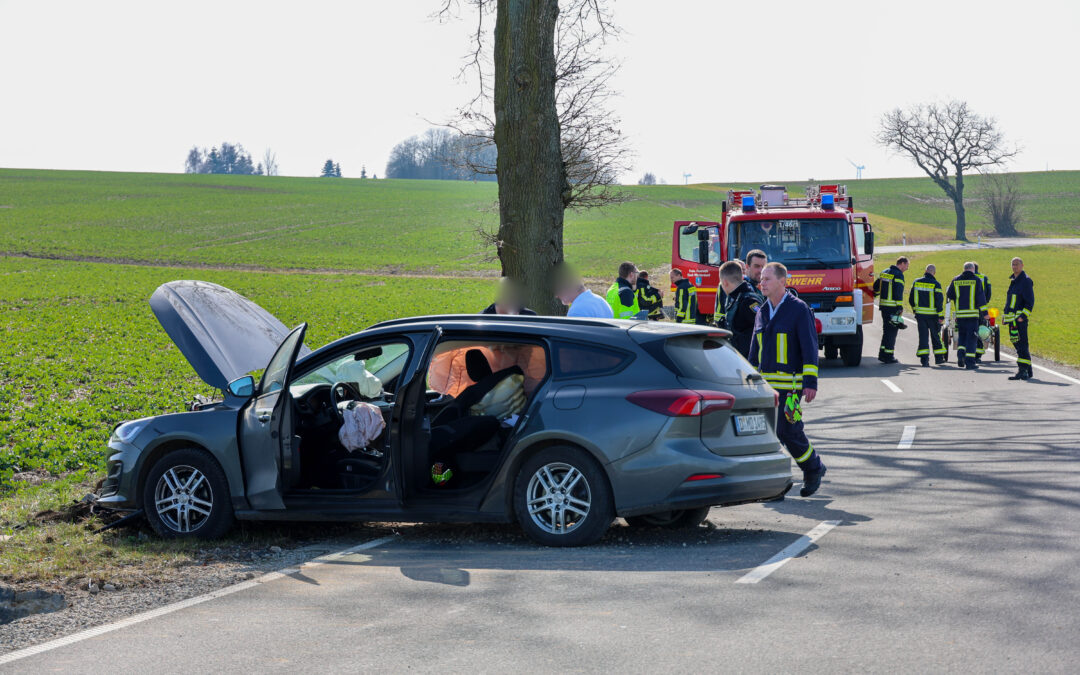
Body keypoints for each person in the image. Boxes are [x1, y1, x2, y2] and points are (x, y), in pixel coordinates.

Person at [750, 262, 827, 497]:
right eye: (761, 279)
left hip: (791, 388)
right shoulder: (762, 311)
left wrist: (810, 383)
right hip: (766, 389)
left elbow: (809, 347)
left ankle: (813, 468)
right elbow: (755, 349)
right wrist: (750, 379)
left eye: (767, 279)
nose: (761, 283)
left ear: (782, 282)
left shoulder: (798, 309)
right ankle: (775, 485)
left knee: (788, 431)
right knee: (767, 434)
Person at [715, 260, 763, 358]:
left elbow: (764, 325)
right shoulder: (737, 298)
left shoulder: (748, 301)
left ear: (725, 282)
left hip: (750, 360)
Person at [946, 262, 988, 370]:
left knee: (962, 338)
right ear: (973, 269)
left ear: (964, 269)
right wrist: (985, 314)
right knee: (972, 339)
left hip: (960, 315)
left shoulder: (956, 280)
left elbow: (949, 295)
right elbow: (981, 298)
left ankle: (960, 357)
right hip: (972, 316)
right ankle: (970, 363)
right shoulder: (976, 280)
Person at [1003, 257, 1035, 380]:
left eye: (1016, 264)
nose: (1014, 267)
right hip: (1012, 319)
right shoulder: (1014, 280)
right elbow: (1010, 301)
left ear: (1022, 265)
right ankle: (1028, 370)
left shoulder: (1026, 281)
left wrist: (1023, 316)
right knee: (1018, 343)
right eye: (1012, 264)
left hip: (1019, 320)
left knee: (1021, 345)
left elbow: (1030, 301)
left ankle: (1022, 371)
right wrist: (1005, 316)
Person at [908, 264, 946, 367]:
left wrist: (915, 310)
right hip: (933, 316)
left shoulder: (916, 282)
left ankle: (924, 360)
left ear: (925, 271)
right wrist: (940, 316)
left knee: (923, 337)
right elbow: (939, 301)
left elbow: (911, 299)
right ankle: (938, 359)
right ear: (934, 272)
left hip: (920, 315)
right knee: (935, 337)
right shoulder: (936, 284)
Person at [874, 256, 909, 364]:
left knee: (886, 331)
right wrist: (899, 307)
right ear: (902, 263)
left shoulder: (884, 272)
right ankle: (889, 356)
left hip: (884, 307)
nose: (907, 268)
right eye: (907, 265)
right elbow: (898, 292)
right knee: (892, 332)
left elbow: (876, 287)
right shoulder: (898, 275)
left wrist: (876, 295)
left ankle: (882, 354)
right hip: (893, 307)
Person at [972, 263, 992, 362]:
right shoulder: (984, 278)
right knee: (980, 329)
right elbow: (989, 291)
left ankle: (967, 352)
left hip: (968, 307)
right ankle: (978, 355)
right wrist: (986, 302)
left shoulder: (964, 277)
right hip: (981, 307)